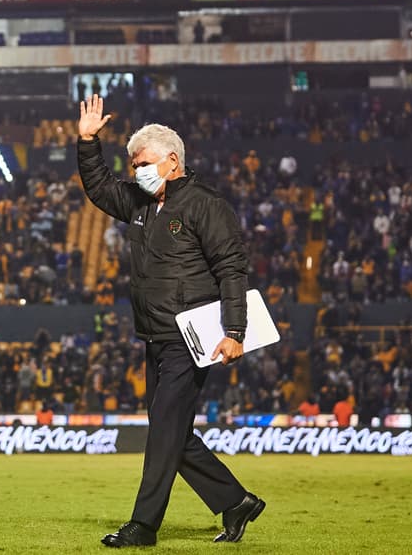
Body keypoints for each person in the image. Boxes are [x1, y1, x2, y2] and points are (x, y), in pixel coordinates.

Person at [77, 94, 265, 548]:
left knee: (164, 430)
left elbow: (231, 269)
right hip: (154, 336)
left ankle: (142, 527)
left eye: (142, 162)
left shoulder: (205, 205)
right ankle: (235, 501)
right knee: (172, 433)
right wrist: (86, 142)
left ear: (172, 160)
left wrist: (234, 331)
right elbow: (100, 188)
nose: (136, 170)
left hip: (191, 337)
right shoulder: (140, 202)